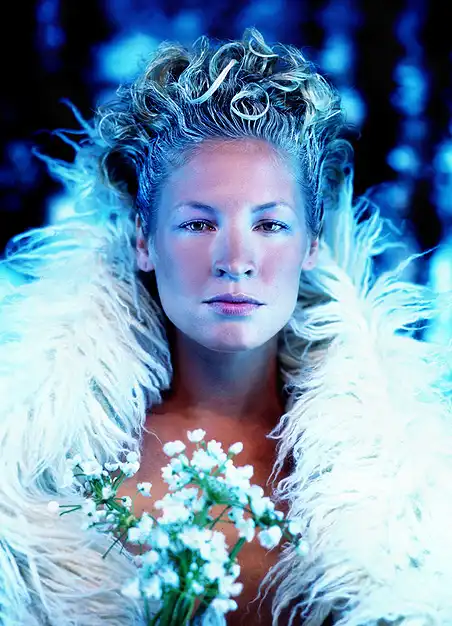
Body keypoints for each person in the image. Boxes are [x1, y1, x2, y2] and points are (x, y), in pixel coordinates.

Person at [1, 26, 452, 626]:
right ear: (144, 240)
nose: (235, 259)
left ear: (312, 243)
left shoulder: (412, 485)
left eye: (270, 225)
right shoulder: (43, 474)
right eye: (197, 224)